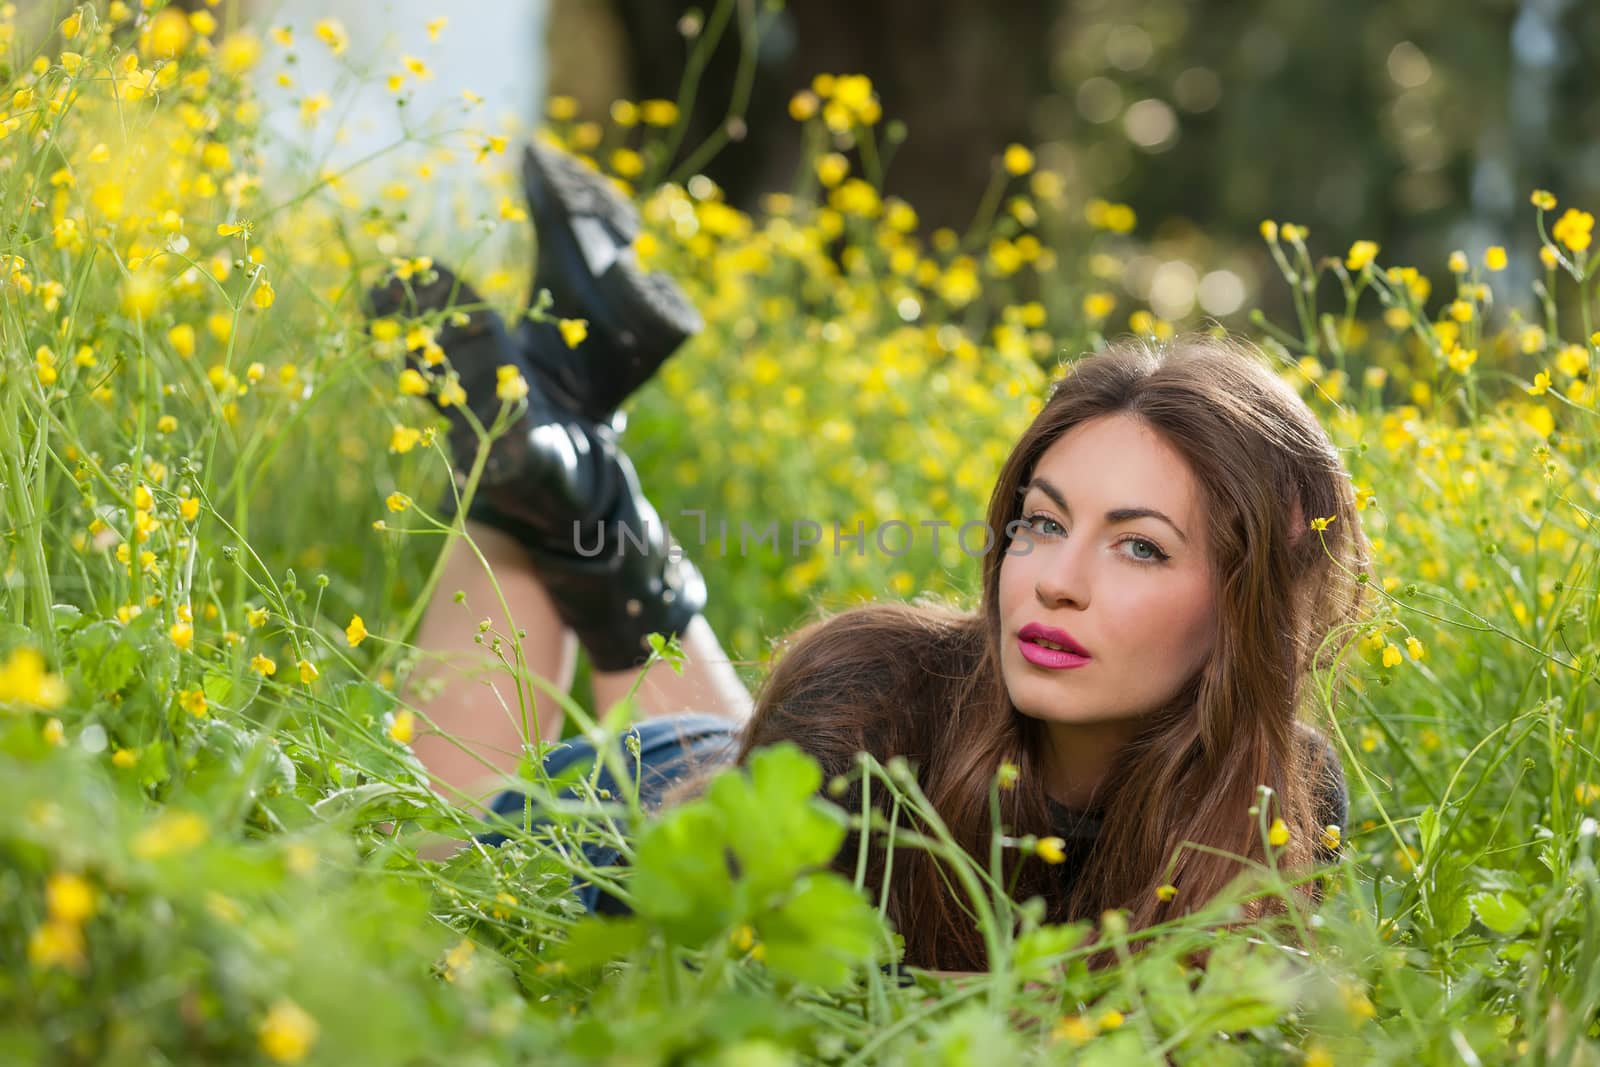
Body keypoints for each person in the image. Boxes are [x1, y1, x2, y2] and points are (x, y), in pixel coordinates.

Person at [370, 141, 1367, 974]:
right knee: (420, 858)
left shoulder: (1283, 796)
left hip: (767, 767)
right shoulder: (870, 695)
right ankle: (532, 457)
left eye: (1141, 546)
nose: (1055, 579)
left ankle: (565, 427)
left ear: (1247, 597)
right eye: (1040, 522)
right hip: (624, 826)